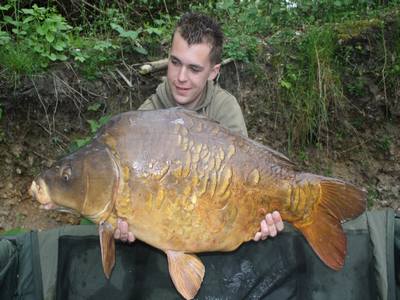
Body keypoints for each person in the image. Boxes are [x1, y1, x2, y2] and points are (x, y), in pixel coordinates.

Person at [113, 12, 284, 244]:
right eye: (175, 63)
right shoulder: (146, 117)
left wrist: (257, 219)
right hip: (166, 233)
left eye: (194, 69)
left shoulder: (225, 109)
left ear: (213, 72)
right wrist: (126, 225)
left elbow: (245, 182)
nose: (180, 77)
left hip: (212, 228)